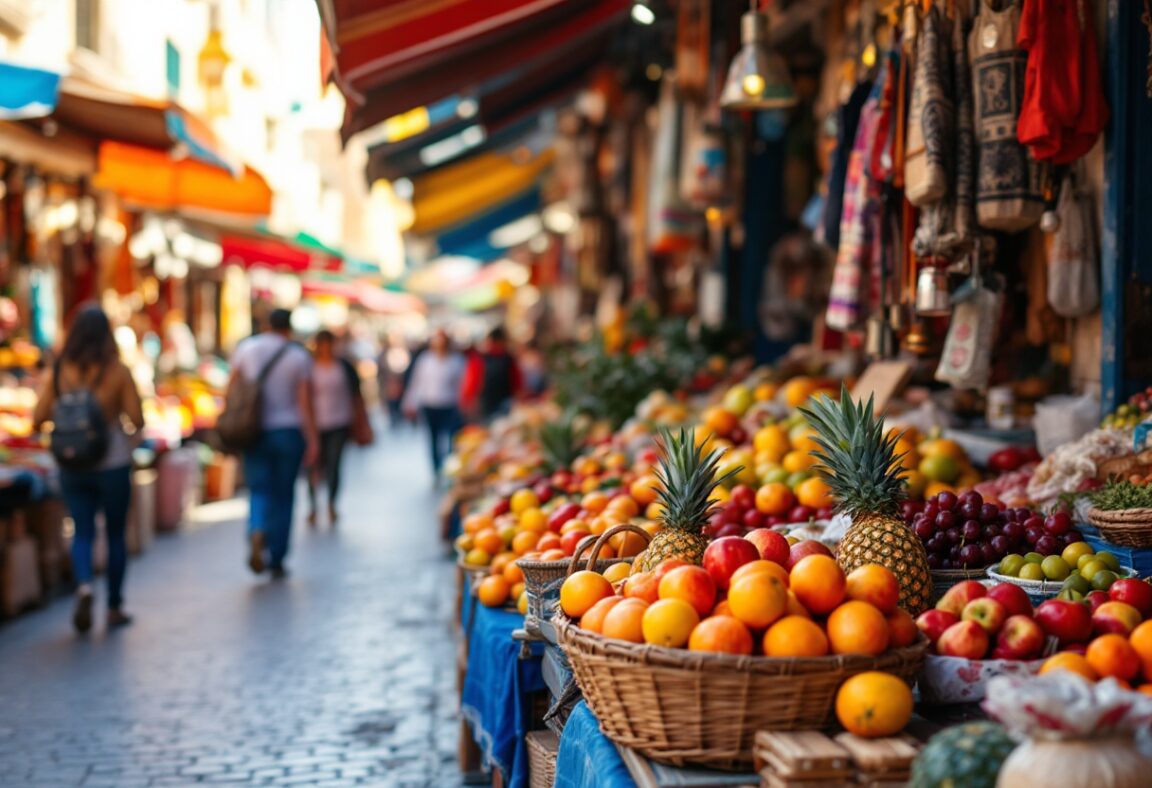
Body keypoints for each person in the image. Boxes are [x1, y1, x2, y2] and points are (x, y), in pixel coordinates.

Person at [32, 305, 144, 633]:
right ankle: (113, 606)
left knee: (81, 531)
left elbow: (38, 417)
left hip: (72, 462)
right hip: (112, 463)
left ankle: (83, 585)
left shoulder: (59, 370)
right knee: (115, 535)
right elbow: (136, 418)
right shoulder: (118, 371)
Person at [228, 309, 317, 578]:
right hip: (289, 431)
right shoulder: (299, 356)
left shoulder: (247, 348)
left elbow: (231, 388)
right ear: (288, 328)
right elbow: (304, 402)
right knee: (284, 494)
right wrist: (313, 439)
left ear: (267, 324)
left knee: (259, 489)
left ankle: (257, 528)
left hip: (254, 431)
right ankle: (277, 556)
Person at [307, 330, 365, 526]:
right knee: (314, 466)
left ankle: (331, 502)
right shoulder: (308, 367)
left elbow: (356, 395)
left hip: (339, 422)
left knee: (334, 464)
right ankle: (313, 504)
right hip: (314, 424)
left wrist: (360, 421)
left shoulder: (344, 367)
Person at [402, 329, 464, 481]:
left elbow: (461, 384)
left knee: (451, 439)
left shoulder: (456, 361)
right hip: (430, 405)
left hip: (449, 404)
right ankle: (436, 469)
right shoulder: (425, 360)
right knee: (433, 439)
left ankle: (449, 469)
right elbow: (417, 383)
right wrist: (410, 403)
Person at [460, 327, 522, 422]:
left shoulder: (480, 357)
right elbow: (517, 382)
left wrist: (467, 401)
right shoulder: (508, 358)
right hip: (505, 402)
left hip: (485, 403)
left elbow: (471, 382)